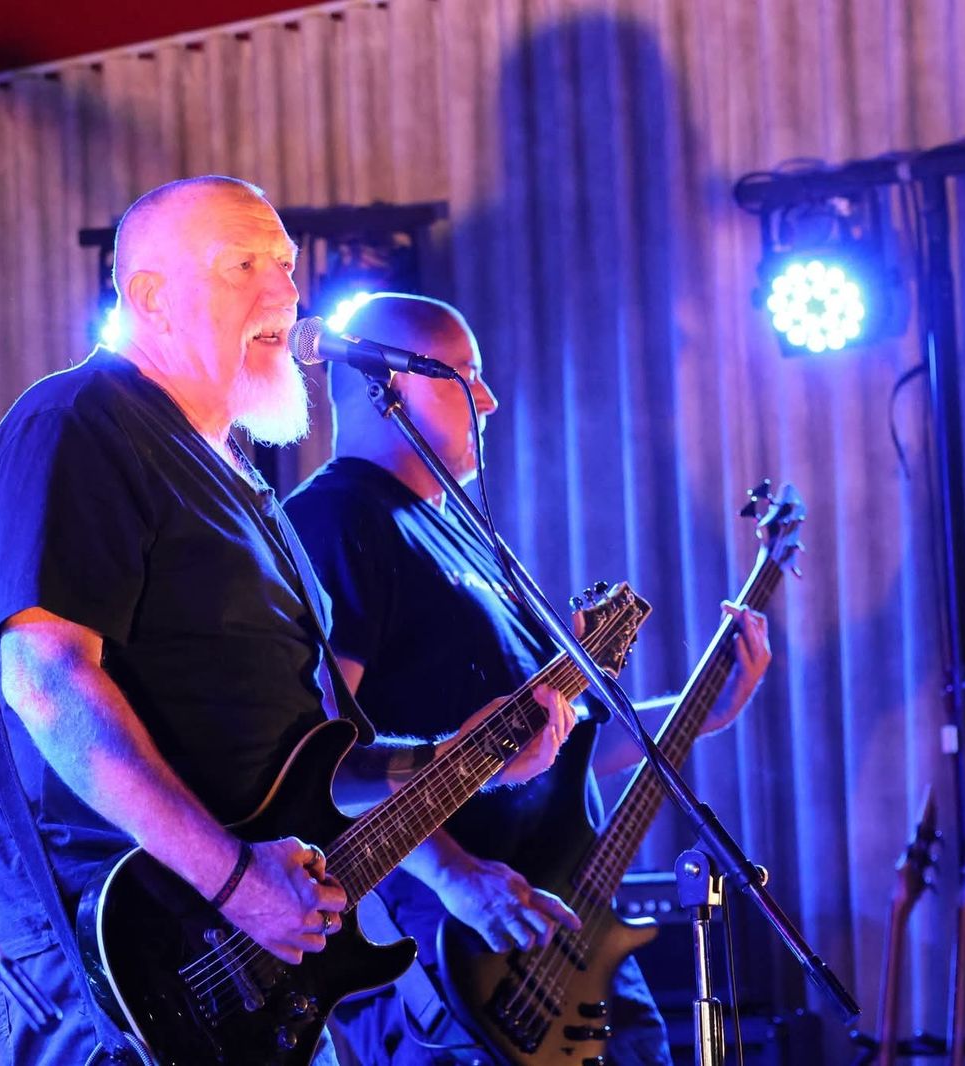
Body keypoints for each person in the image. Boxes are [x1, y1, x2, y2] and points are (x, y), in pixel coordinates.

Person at [0, 179, 577, 1066]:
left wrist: (458, 759)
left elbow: (309, 770)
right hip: (99, 950)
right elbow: (47, 680)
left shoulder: (242, 480)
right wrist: (235, 878)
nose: (284, 292)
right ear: (151, 296)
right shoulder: (81, 420)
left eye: (285, 264)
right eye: (243, 265)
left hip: (246, 961)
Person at [284, 293, 772, 1065]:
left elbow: (560, 750)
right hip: (454, 949)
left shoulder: (466, 536)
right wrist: (457, 877)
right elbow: (320, 756)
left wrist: (701, 711)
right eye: (465, 376)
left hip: (564, 924)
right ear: (392, 386)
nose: (489, 400)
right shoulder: (337, 519)